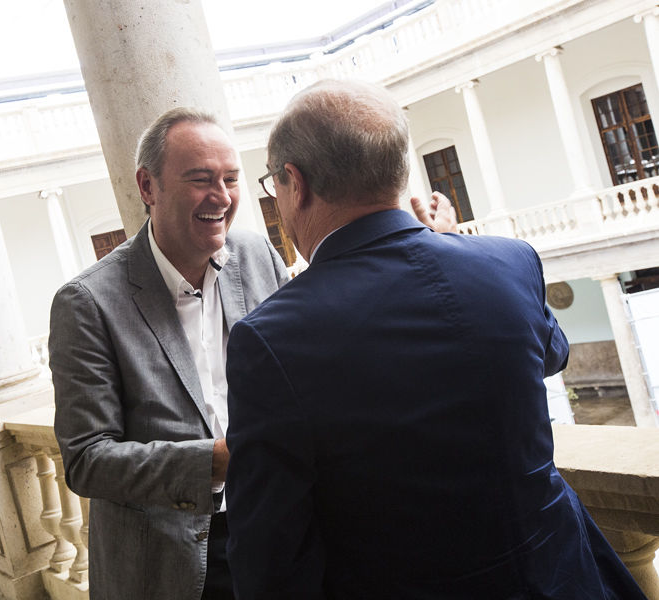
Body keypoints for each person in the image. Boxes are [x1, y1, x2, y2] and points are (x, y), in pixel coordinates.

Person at [224, 79, 647, 600]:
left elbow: (269, 557)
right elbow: (551, 353)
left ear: (295, 181)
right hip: (561, 578)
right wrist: (448, 251)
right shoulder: (509, 263)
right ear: (399, 171)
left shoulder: (270, 338)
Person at [49, 106, 455, 600]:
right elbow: (88, 459)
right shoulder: (87, 302)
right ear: (147, 186)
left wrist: (430, 251)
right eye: (201, 180)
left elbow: (321, 336)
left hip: (276, 530)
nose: (221, 198)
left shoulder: (256, 254)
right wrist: (222, 461)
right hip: (168, 564)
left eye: (231, 179)